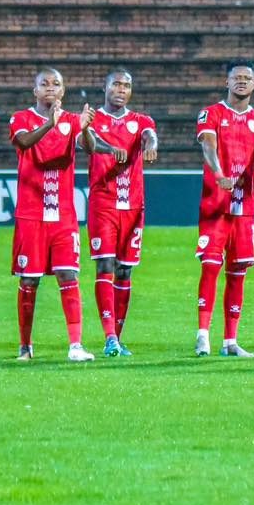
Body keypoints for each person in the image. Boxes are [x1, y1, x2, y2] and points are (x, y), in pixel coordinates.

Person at [8, 67, 97, 362]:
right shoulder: (20, 118)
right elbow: (23, 143)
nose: (50, 87)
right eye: (44, 84)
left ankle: (75, 346)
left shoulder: (72, 121)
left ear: (62, 91)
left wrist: (83, 128)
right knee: (29, 281)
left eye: (55, 84)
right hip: (31, 215)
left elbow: (90, 148)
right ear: (34, 91)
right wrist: (50, 123)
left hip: (63, 216)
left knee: (68, 274)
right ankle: (24, 346)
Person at [195, 62, 254, 357]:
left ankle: (230, 341)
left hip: (245, 207)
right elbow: (209, 147)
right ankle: (203, 334)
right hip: (215, 206)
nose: (241, 82)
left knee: (238, 272)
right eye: (236, 77)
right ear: (226, 82)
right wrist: (218, 174)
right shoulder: (211, 113)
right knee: (211, 266)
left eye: (247, 78)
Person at [82, 69, 158, 357]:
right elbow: (86, 142)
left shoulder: (141, 121)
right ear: (105, 87)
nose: (121, 89)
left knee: (125, 270)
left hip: (134, 206)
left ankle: (118, 336)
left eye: (127, 85)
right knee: (105, 266)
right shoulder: (93, 120)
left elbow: (151, 137)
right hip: (104, 204)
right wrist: (103, 143)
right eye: (116, 84)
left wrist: (151, 146)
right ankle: (109, 336)